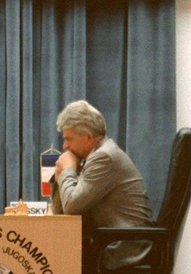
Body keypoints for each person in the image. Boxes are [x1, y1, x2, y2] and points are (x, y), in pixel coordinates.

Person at [49, 100, 153, 272]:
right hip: (112, 241)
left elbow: (71, 206)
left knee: (53, 257)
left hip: (124, 248)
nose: (65, 146)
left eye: (69, 139)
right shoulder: (96, 156)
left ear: (88, 137)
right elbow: (64, 215)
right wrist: (61, 174)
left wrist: (68, 169)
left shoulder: (104, 157)